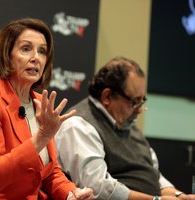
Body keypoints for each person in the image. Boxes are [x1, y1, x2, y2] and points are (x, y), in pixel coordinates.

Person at [0, 18, 94, 200]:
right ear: (7, 55)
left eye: (42, 51)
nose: (36, 58)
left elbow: (49, 172)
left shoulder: (39, 103)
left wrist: (71, 193)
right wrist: (41, 137)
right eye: (26, 49)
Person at [55, 57, 195, 200]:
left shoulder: (126, 124)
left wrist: (179, 195)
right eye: (134, 102)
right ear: (107, 96)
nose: (139, 110)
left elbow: (153, 174)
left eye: (142, 101)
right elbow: (97, 188)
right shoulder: (78, 125)